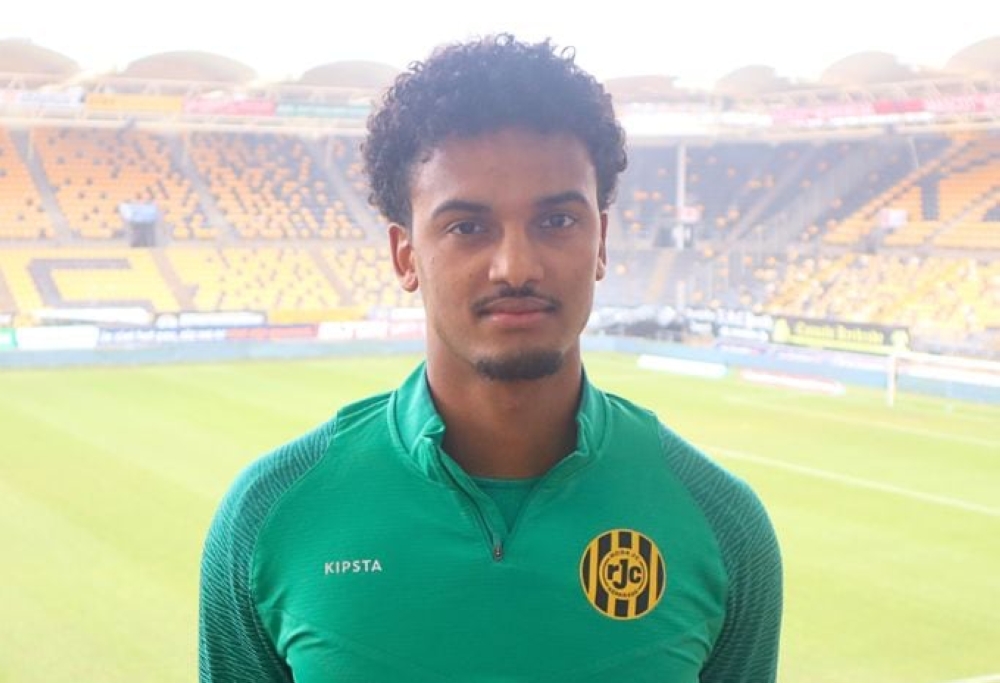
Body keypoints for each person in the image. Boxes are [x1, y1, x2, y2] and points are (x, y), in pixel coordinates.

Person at [199, 34, 782, 683]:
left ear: (601, 240)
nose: (517, 266)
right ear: (405, 255)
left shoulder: (722, 524)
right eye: (467, 227)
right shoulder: (269, 517)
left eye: (557, 221)